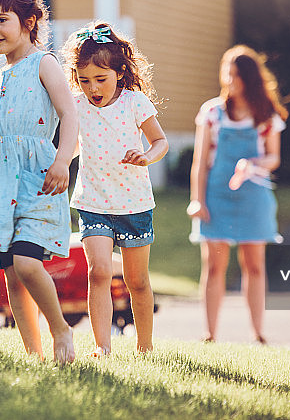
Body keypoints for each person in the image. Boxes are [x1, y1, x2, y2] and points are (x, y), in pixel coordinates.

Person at [0, 0, 77, 364]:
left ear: (29, 22)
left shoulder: (43, 63)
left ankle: (61, 330)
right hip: (0, 182)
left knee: (29, 264)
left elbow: (69, 114)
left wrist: (63, 160)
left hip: (37, 179)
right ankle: (34, 352)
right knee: (11, 272)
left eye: (1, 19)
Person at [61, 21, 168, 356]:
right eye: (85, 79)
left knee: (137, 281)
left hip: (134, 204)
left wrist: (147, 156)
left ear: (120, 73)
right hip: (93, 201)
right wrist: (58, 162)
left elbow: (160, 141)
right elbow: (73, 145)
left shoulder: (135, 103)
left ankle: (144, 345)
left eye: (101, 79)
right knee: (99, 272)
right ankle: (102, 346)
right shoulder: (76, 106)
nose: (93, 87)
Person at [187, 44, 288, 344]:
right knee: (214, 266)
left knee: (254, 265)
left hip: (253, 197)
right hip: (217, 196)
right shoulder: (211, 112)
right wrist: (198, 199)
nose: (230, 80)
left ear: (250, 78)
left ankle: (257, 333)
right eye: (227, 74)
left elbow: (274, 158)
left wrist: (254, 163)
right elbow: (200, 161)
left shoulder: (266, 116)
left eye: (236, 75)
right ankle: (210, 334)